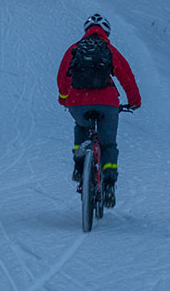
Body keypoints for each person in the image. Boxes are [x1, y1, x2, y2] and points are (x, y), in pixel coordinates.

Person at [57, 13, 141, 207]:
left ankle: (80, 166)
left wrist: (64, 99)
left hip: (78, 102)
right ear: (107, 32)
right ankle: (109, 182)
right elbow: (127, 77)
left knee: (81, 127)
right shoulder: (110, 50)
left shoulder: (74, 49)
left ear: (86, 31)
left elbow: (63, 78)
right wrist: (134, 101)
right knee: (108, 144)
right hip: (107, 103)